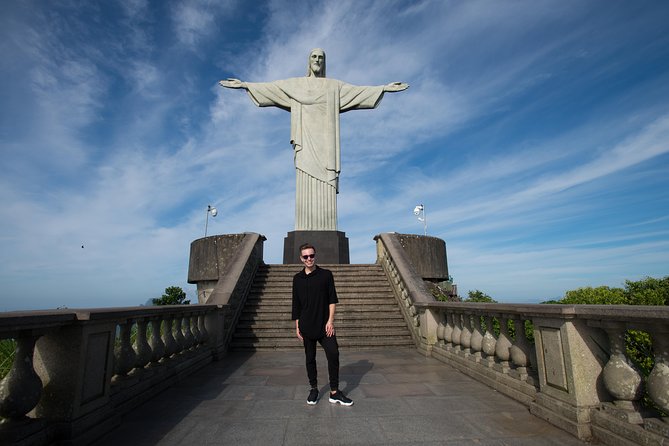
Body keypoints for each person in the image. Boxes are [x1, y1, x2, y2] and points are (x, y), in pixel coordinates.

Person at [219, 48, 408, 231]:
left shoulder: (334, 86)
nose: (317, 60)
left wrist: (383, 88)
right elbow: (272, 88)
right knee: (304, 177)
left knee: (326, 179)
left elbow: (357, 92)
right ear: (309, 61)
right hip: (305, 143)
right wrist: (245, 85)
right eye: (314, 57)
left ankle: (326, 226)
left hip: (327, 147)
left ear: (324, 62)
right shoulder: (296, 85)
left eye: (321, 57)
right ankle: (305, 225)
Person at [291, 243, 353, 406]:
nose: (309, 259)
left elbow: (332, 299)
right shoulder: (297, 279)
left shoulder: (326, 275)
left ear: (315, 256)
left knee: (333, 354)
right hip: (306, 325)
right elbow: (296, 305)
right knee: (310, 358)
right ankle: (314, 388)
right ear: (301, 258)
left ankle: (334, 391)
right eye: (305, 256)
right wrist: (297, 326)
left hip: (324, 325)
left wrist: (330, 321)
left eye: (311, 256)